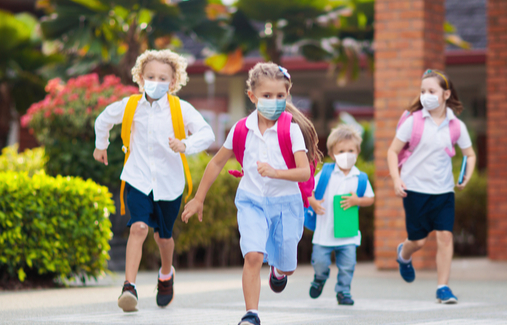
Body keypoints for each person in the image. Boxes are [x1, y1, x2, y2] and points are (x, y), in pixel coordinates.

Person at [181, 62, 322, 325]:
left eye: (280, 96)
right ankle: (251, 314)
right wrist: (199, 198)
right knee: (253, 255)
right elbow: (216, 163)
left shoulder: (291, 130)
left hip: (286, 204)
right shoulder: (241, 129)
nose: (274, 101)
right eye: (267, 96)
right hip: (251, 201)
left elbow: (304, 173)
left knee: (288, 265)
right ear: (252, 96)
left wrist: (275, 172)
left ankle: (279, 272)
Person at [93, 49, 215, 312]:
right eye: (151, 76)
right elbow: (103, 119)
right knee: (138, 228)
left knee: (163, 238)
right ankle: (129, 287)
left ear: (173, 82)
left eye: (163, 78)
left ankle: (166, 274)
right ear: (140, 77)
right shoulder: (130, 106)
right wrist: (100, 145)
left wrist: (185, 144)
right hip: (137, 178)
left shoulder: (180, 109)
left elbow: (207, 133)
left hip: (169, 184)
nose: (156, 82)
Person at [387, 69, 476, 304]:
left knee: (445, 237)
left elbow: (470, 154)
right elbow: (392, 151)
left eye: (432, 91)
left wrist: (467, 175)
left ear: (446, 94)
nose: (426, 95)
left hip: (444, 191)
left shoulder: (456, 125)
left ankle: (443, 287)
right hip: (415, 189)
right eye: (423, 91)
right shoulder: (413, 121)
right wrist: (397, 180)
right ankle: (403, 255)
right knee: (418, 241)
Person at [308, 125, 375, 306]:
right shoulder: (326, 173)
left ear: (358, 152)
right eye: (341, 151)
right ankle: (320, 278)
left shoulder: (360, 177)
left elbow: (370, 198)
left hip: (348, 233)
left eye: (351, 150)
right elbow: (308, 191)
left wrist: (357, 201)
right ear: (332, 153)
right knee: (320, 262)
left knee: (348, 266)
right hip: (324, 233)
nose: (347, 154)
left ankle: (343, 291)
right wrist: (313, 202)